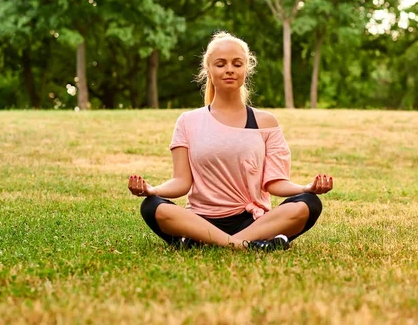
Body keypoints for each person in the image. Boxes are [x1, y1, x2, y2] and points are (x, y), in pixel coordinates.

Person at [128, 31, 333, 251]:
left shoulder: (266, 122)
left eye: (237, 64)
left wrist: (306, 187)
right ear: (208, 69)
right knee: (152, 206)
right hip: (201, 220)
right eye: (220, 64)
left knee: (308, 203)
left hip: (253, 221)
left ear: (246, 69)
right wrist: (152, 189)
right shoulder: (188, 121)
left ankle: (204, 243)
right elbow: (181, 182)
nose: (229, 69)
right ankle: (247, 245)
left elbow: (275, 182)